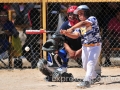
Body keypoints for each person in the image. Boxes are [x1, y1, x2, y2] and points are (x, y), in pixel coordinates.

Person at [60, 5, 102, 88]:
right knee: (85, 66)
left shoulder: (92, 19)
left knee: (90, 63)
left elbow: (83, 23)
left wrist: (71, 28)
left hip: (95, 46)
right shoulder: (80, 26)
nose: (79, 15)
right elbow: (75, 35)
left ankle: (86, 81)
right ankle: (95, 77)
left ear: (86, 13)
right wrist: (66, 33)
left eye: (81, 13)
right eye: (78, 14)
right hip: (85, 47)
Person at [54, 5, 82, 74]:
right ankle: (63, 68)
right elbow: (63, 40)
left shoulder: (82, 24)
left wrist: (80, 51)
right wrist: (70, 50)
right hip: (70, 48)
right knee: (59, 52)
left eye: (73, 14)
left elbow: (86, 40)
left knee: (91, 53)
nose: (71, 16)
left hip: (82, 48)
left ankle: (95, 71)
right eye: (69, 14)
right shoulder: (65, 25)